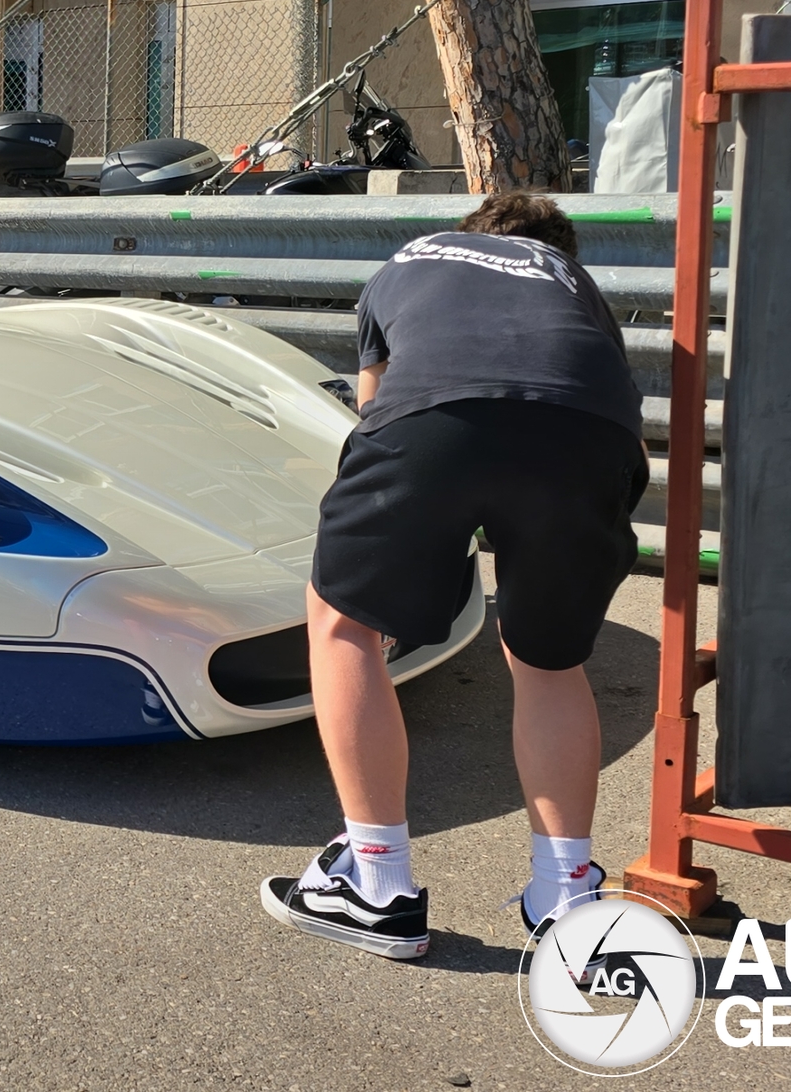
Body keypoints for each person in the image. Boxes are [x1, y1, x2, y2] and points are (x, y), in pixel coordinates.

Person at [260, 192, 648, 960]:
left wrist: (419, 547)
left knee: (343, 621)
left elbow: (374, 410)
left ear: (470, 234)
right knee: (548, 661)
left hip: (435, 418)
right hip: (590, 434)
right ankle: (569, 898)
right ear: (558, 253)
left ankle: (375, 885)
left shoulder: (414, 258)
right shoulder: (571, 284)